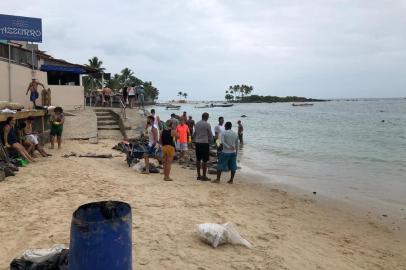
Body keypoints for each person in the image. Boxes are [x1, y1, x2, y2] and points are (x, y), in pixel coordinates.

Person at [194, 112, 213, 181]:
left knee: (198, 159)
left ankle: (199, 175)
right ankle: (204, 176)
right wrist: (211, 143)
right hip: (204, 143)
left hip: (197, 143)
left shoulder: (197, 124)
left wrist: (194, 141)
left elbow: (195, 133)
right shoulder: (207, 124)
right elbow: (210, 135)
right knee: (205, 160)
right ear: (207, 117)